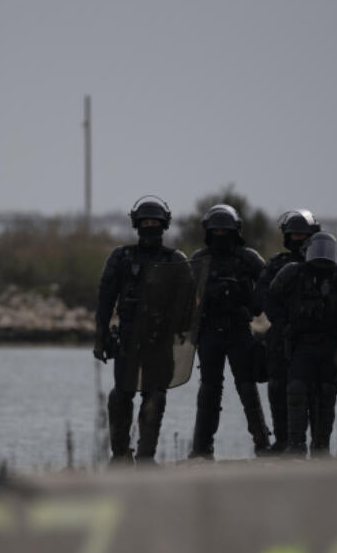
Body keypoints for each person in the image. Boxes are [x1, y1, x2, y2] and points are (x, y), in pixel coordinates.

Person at [93, 195, 188, 464]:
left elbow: (190, 305)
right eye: (145, 221)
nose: (149, 225)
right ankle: (120, 455)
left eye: (154, 222)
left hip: (160, 341)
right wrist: (101, 337)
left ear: (164, 225)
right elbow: (104, 300)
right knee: (120, 396)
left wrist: (183, 333)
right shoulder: (121, 258)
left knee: (155, 397)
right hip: (128, 340)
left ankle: (147, 457)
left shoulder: (175, 260)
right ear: (136, 224)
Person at [188, 204, 270, 458]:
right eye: (216, 230)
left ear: (235, 231)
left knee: (247, 388)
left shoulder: (248, 258)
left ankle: (262, 443)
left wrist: (253, 308)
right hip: (210, 332)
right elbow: (185, 295)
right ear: (208, 232)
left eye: (225, 230)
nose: (221, 234)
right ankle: (202, 449)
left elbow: (269, 284)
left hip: (238, 331)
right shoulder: (200, 259)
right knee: (209, 390)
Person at [266, 232, 337, 456]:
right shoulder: (293, 272)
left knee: (326, 394)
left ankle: (321, 447)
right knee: (296, 390)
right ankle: (296, 446)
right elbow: (271, 298)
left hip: (331, 345)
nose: (323, 256)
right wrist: (282, 325)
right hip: (302, 343)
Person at [256, 209, 323, 453]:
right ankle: (283, 441)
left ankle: (318, 444)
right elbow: (263, 295)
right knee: (277, 387)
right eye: (293, 235)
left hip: (314, 337)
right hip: (282, 335)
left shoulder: (323, 264)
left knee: (317, 391)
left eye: (303, 235)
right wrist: (283, 324)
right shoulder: (276, 264)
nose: (298, 239)